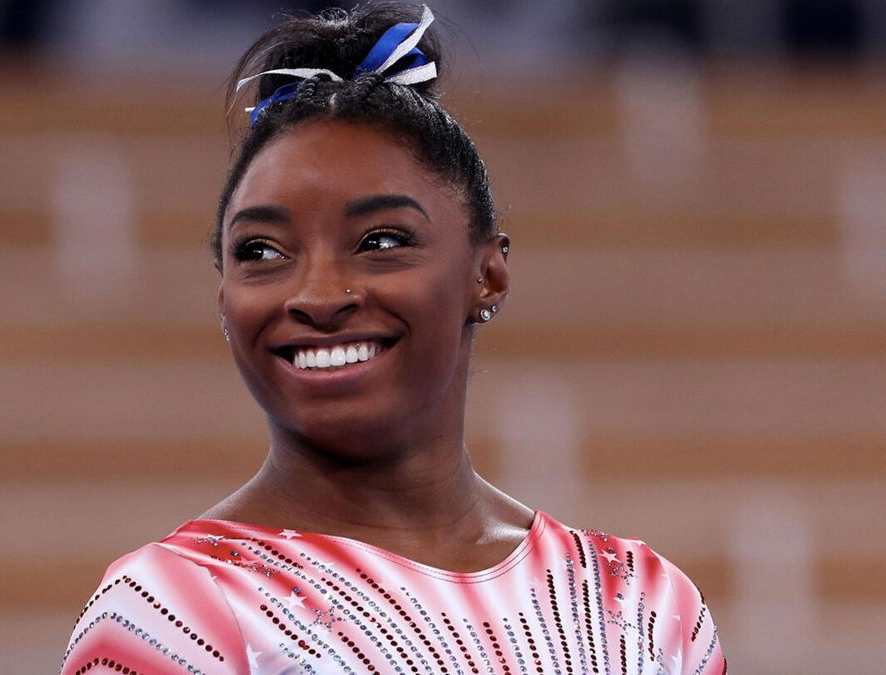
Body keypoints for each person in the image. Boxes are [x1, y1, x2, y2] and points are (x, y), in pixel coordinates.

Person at [60, 4, 725, 673]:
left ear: (486, 273)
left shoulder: (641, 603)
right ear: (225, 298)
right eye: (261, 251)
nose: (317, 296)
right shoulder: (172, 612)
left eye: (380, 241)